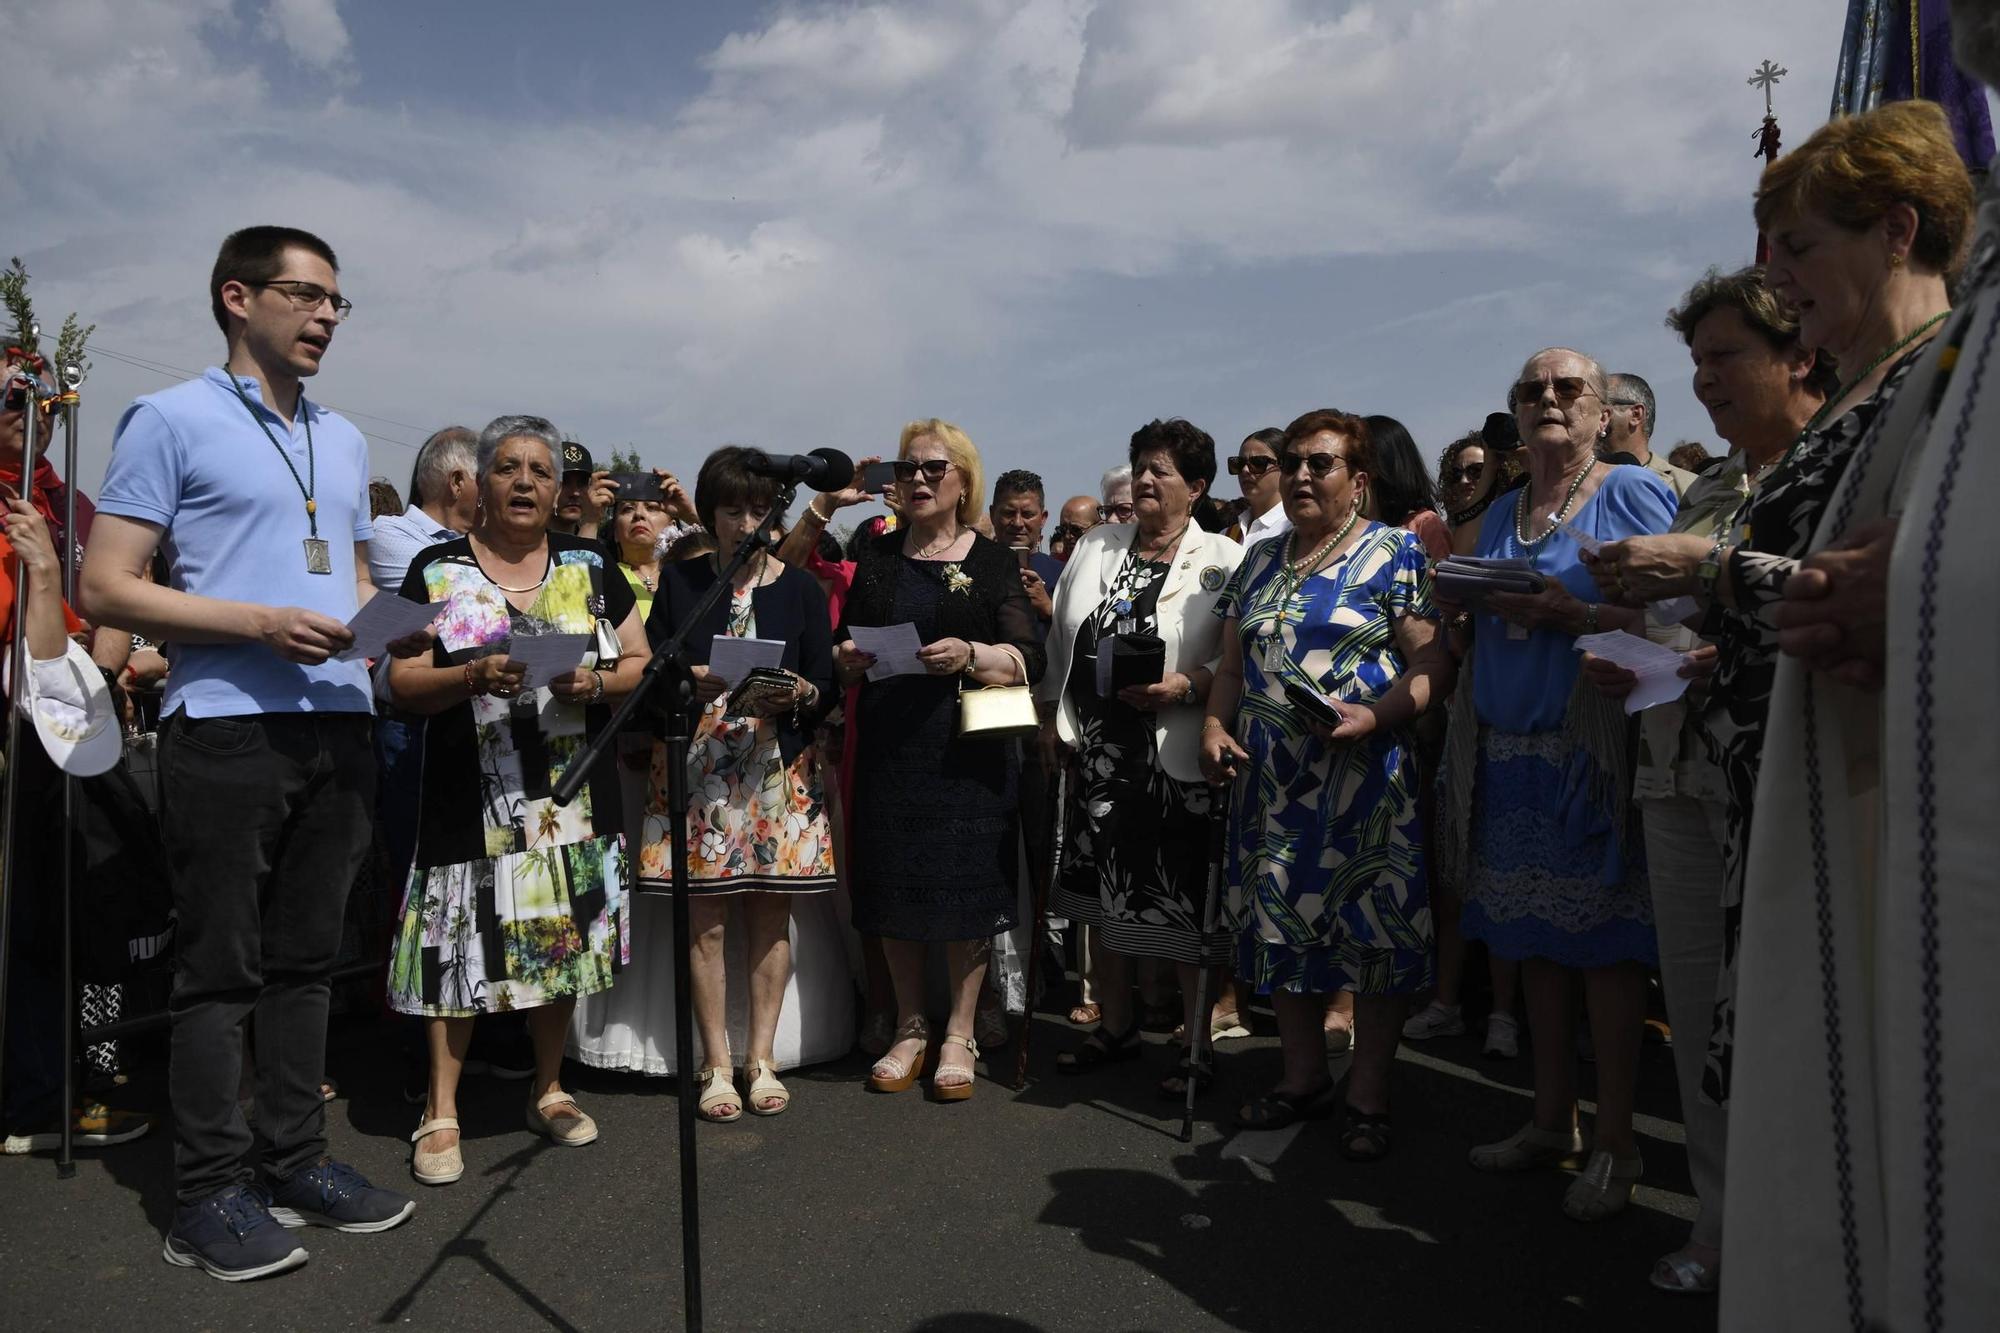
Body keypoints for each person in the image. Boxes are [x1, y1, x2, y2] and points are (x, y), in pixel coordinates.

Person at [1632, 96, 1979, 1330]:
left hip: (1881, 802)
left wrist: (1715, 570)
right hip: (1774, 782)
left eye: (1799, 249)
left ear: (1896, 231)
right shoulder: (1857, 392)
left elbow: (1907, 585)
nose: (1778, 280)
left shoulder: (1946, 381)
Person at [83, 226, 422, 1279]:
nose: (325, 317)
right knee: (219, 969)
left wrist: (395, 628)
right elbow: (106, 585)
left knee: (307, 963)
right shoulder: (168, 418)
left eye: (335, 302)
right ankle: (207, 1194)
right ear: (238, 297)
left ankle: (294, 1160)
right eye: (304, 295)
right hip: (228, 722)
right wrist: (258, 622)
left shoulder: (343, 438)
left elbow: (351, 584)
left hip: (339, 722)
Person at [1584, 266, 1832, 1294]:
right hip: (1675, 768)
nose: (1704, 380)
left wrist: (1709, 637)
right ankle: (1719, 1223)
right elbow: (1678, 618)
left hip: (1781, 778)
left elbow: (1831, 609)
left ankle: (1805, 1239)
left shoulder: (1835, 470)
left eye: (1725, 356)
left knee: (1786, 1017)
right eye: (1695, 361)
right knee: (1695, 1010)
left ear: (1798, 355)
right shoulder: (1710, 488)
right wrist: (1635, 648)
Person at [1435, 347, 1675, 1220]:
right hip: (1506, 747)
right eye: (1532, 388)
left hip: (1588, 749)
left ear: (1604, 413)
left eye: (1569, 387)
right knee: (1530, 939)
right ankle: (1551, 1120)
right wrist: (1462, 605)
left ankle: (1617, 1140)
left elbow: (1675, 614)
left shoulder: (1628, 491)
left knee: (1604, 950)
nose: (1549, 399)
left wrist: (1573, 614)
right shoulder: (1503, 507)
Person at [385, 414, 650, 1185]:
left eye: (540, 469)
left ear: (558, 487)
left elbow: (641, 660)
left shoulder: (591, 564)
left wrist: (594, 681)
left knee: (559, 939)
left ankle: (550, 1087)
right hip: (468, 791)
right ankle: (441, 1109)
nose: (525, 481)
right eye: (508, 467)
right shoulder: (435, 568)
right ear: (481, 482)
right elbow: (400, 680)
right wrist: (471, 675)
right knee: (455, 945)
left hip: (568, 792)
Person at [1199, 408, 1451, 1158]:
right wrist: (1213, 727)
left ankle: (1367, 1093)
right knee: (1282, 926)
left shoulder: (1395, 551)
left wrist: (1375, 716)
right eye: (1293, 462)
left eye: (1321, 462)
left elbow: (1433, 664)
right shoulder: (1259, 558)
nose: (1301, 474)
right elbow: (1233, 669)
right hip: (1273, 786)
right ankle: (1304, 1077)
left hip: (1365, 783)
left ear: (1359, 479)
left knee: (1374, 935)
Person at [573, 446, 846, 1117]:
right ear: (710, 514)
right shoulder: (682, 582)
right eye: (732, 510)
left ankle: (762, 1058)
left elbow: (827, 684)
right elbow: (651, 668)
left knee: (771, 918)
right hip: (698, 773)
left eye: (759, 509)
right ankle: (716, 1064)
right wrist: (686, 680)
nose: (746, 523)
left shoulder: (800, 589)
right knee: (706, 924)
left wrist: (801, 691)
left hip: (778, 773)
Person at [835, 418, 1044, 1102]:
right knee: (893, 883)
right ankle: (910, 1024)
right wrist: (845, 658)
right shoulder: (877, 555)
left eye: (933, 468)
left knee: (966, 886)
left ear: (963, 480)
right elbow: (843, 641)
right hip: (891, 748)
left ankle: (959, 1030)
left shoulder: (992, 561)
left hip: (968, 754)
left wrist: (972, 654)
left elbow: (1029, 657)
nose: (918, 479)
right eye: (908, 468)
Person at [1039, 419, 1244, 1094]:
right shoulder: (1097, 544)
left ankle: (1196, 1041)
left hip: (1175, 753)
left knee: (1182, 902)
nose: (1146, 480)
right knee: (1105, 896)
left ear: (1197, 486)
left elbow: (1238, 657)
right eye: (1141, 467)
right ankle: (1116, 1025)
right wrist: (1052, 714)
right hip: (1100, 751)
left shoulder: (1225, 556)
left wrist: (1187, 686)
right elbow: (1061, 638)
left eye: (1162, 470)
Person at [1603, 373, 1697, 497]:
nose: (1591, 414)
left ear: (1636, 414)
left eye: (1601, 405)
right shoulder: (1579, 481)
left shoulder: (1691, 488)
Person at [1224, 427, 1289, 548]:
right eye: (1239, 464)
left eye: (1258, 463)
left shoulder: (1295, 530)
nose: (1245, 470)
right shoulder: (1225, 537)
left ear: (1285, 466)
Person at [550, 439, 615, 540]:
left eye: (582, 483)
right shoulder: (527, 543)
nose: (575, 493)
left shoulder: (602, 546)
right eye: (564, 482)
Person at [1050, 495, 1099, 563]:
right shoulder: (1055, 566)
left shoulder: (1112, 564)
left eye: (1075, 529)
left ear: (1099, 527)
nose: (1067, 536)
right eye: (1063, 529)